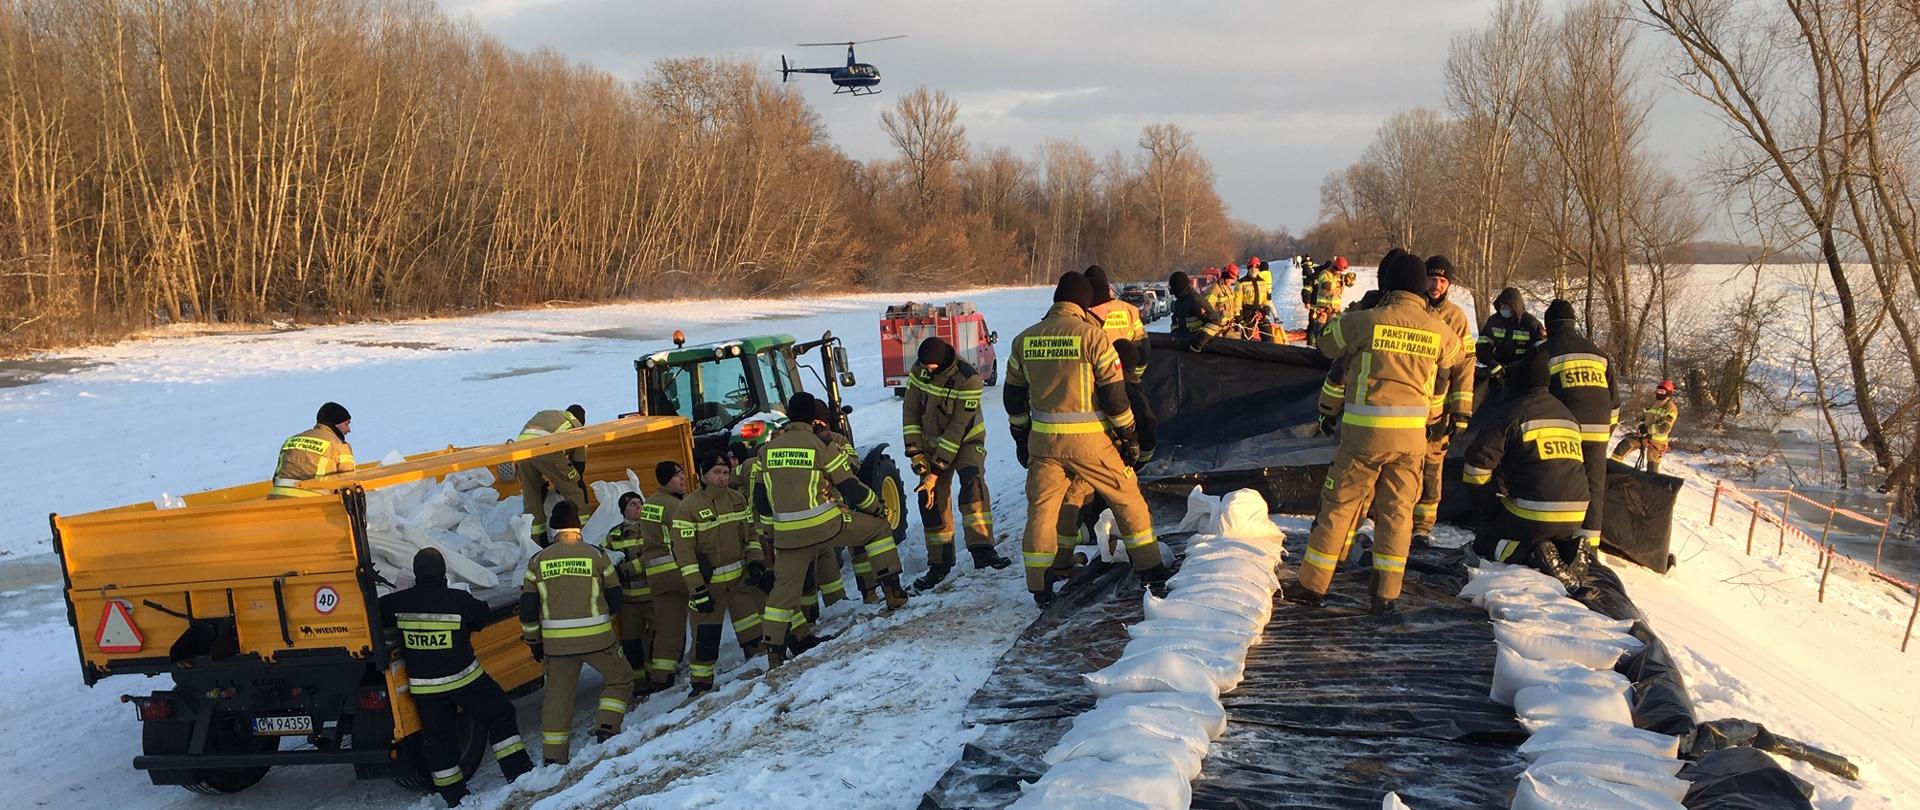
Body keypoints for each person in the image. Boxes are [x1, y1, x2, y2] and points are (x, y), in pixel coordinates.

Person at [1283, 251, 1471, 614]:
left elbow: (1326, 344)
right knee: (1398, 515)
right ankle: (1385, 594)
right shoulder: (1439, 331)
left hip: (1363, 439)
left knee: (1340, 507)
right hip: (1412, 442)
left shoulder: (1367, 320)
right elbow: (1454, 359)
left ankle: (1312, 585)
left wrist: (1354, 316)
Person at [1007, 272, 1170, 608]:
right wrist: (1127, 435)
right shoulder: (1094, 338)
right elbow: (1115, 397)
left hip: (1044, 445)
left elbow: (1014, 398)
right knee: (1128, 501)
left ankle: (1040, 583)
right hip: (1091, 443)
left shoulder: (1024, 340)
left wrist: (1022, 437)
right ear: (1083, 302)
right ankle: (1151, 572)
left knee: (1042, 511)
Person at [753, 393, 901, 669]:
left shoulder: (767, 450)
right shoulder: (821, 444)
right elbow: (848, 486)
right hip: (826, 526)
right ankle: (893, 592)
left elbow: (760, 499)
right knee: (878, 529)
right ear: (813, 417)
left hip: (787, 535)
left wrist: (770, 534)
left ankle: (774, 652)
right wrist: (875, 507)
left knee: (781, 594)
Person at [380, 549, 532, 806]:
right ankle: (517, 771)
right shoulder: (458, 600)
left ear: (416, 574)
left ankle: (454, 796)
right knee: (500, 713)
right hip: (464, 679)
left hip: (425, 688)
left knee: (440, 740)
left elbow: (377, 612)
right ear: (443, 572)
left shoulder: (398, 604)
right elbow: (481, 617)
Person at [1462, 351, 1593, 591]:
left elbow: (1476, 467)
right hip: (1576, 514)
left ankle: (1531, 552)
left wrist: (1490, 506)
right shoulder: (1568, 417)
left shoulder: (1513, 412)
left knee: (1486, 543)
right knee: (1547, 529)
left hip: (1534, 513)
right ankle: (1569, 549)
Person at [518, 501, 632, 765]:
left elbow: (527, 608)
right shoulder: (596, 555)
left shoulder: (537, 560)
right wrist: (609, 615)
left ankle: (554, 757)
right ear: (578, 527)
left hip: (557, 647)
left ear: (553, 527)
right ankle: (607, 727)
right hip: (598, 640)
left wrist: (534, 641)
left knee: (558, 700)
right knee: (621, 679)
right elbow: (615, 595)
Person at [902, 337, 1011, 591]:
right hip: (931, 444)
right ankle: (939, 563)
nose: (927, 370)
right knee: (929, 499)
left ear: (942, 362)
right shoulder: (919, 370)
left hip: (965, 441)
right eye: (924, 366)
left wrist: (936, 471)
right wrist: (916, 453)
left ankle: (983, 551)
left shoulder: (969, 379)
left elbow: (957, 429)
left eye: (931, 367)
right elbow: (910, 412)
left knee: (971, 484)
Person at [1049, 338, 1160, 562]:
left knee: (1074, 496)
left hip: (1074, 452)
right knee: (1129, 503)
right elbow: (1148, 430)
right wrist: (1136, 460)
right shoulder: (1130, 393)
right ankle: (1147, 560)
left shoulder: (1086, 386)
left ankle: (1070, 542)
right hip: (1111, 459)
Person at [671, 452, 767, 696]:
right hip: (709, 589)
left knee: (753, 631)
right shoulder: (687, 508)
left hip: (739, 584)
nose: (723, 477)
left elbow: (751, 535)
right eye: (716, 472)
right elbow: (684, 554)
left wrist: (755, 561)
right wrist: (698, 590)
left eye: (726, 472)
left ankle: (759, 674)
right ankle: (701, 687)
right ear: (703, 475)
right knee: (705, 641)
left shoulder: (737, 499)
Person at [795, 392, 902, 605]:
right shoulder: (801, 444)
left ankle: (870, 592)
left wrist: (830, 446)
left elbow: (854, 467)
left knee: (860, 550)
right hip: (823, 510)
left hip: (843, 505)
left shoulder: (837, 441)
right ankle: (833, 604)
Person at [1406, 255, 1476, 547]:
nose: (1436, 285)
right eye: (1432, 279)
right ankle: (1397, 522)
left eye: (1443, 280)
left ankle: (1422, 528)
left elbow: (1465, 366)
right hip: (1407, 407)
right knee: (1403, 468)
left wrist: (1460, 411)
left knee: (1432, 470)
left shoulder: (1456, 318)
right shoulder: (1410, 309)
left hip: (1438, 410)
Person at [1540, 299, 1619, 550]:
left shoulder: (1547, 351)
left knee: (1561, 482)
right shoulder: (1599, 354)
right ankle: (1589, 548)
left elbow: (1537, 395)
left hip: (1566, 431)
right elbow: (1614, 403)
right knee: (1594, 488)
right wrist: (1606, 432)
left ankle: (1558, 539)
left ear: (1548, 325)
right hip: (1599, 432)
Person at [638, 461, 689, 692]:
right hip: (677, 571)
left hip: (656, 576)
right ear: (668, 478)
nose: (684, 478)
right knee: (705, 616)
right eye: (679, 475)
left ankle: (661, 677)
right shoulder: (674, 505)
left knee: (667, 629)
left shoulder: (649, 503)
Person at [601, 492, 653, 696]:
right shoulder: (613, 535)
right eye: (633, 504)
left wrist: (628, 568)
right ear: (624, 509)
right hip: (629, 601)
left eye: (640, 502)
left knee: (655, 639)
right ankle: (639, 683)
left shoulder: (650, 530)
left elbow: (653, 556)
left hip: (652, 596)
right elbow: (606, 560)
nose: (638, 506)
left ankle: (658, 679)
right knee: (632, 643)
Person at [515, 405, 588, 547]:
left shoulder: (550, 415)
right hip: (546, 446)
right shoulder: (577, 426)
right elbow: (579, 465)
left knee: (533, 496)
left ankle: (535, 543)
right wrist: (569, 482)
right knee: (577, 490)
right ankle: (582, 535)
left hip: (520, 451)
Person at [270, 402, 356, 498]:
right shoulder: (339, 445)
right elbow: (348, 483)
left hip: (276, 499)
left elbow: (276, 477)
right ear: (335, 424)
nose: (348, 430)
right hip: (314, 503)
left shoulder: (291, 440)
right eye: (346, 424)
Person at [1085, 265, 1150, 380]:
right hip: (1125, 374)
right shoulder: (1130, 311)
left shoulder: (1082, 311)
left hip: (1094, 376)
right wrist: (1135, 375)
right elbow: (1143, 345)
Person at [1613, 379, 1679, 473]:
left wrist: (1647, 430)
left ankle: (1651, 482)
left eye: (1662, 391)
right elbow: (1640, 417)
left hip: (1657, 442)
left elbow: (1665, 427)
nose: (1659, 393)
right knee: (1623, 447)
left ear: (1668, 393)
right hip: (1643, 437)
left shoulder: (1671, 408)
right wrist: (1640, 426)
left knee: (1652, 468)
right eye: (1658, 390)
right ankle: (1612, 469)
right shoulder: (1651, 404)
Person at [1478, 288, 1544, 380]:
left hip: (1523, 373)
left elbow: (1541, 351)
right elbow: (1482, 345)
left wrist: (1519, 365)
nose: (1503, 309)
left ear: (1515, 307)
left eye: (1506, 307)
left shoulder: (1531, 324)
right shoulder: (1494, 321)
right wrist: (1491, 363)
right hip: (1498, 371)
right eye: (1501, 306)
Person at [1169, 271, 1223, 351]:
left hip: (1199, 351)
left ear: (1177, 288)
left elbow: (1214, 321)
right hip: (1185, 349)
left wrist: (1199, 341)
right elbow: (1175, 322)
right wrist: (1175, 336)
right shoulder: (1179, 303)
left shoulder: (1196, 301)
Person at [1306, 257, 1351, 347]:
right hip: (1322, 310)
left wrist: (1349, 279)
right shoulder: (1324, 274)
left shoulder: (1340, 276)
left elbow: (1349, 284)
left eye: (1341, 271)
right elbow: (1327, 287)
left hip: (1335, 310)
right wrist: (1340, 282)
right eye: (1339, 270)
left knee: (1335, 332)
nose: (1339, 272)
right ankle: (1317, 347)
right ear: (1334, 267)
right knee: (1319, 330)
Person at [1238, 257, 1274, 340]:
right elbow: (1237, 301)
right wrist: (1239, 317)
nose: (1254, 270)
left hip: (1260, 313)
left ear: (1258, 269)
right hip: (1247, 314)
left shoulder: (1262, 282)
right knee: (1247, 338)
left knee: (1269, 337)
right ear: (1248, 269)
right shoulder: (1241, 282)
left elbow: (1266, 300)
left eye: (1256, 268)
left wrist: (1266, 313)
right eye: (1251, 268)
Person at [1208, 264, 1243, 335]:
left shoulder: (1229, 289)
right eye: (1232, 279)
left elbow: (1233, 306)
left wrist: (1237, 315)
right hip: (1217, 329)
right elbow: (1208, 307)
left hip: (1228, 327)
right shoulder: (1215, 289)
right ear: (1226, 277)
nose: (1232, 282)